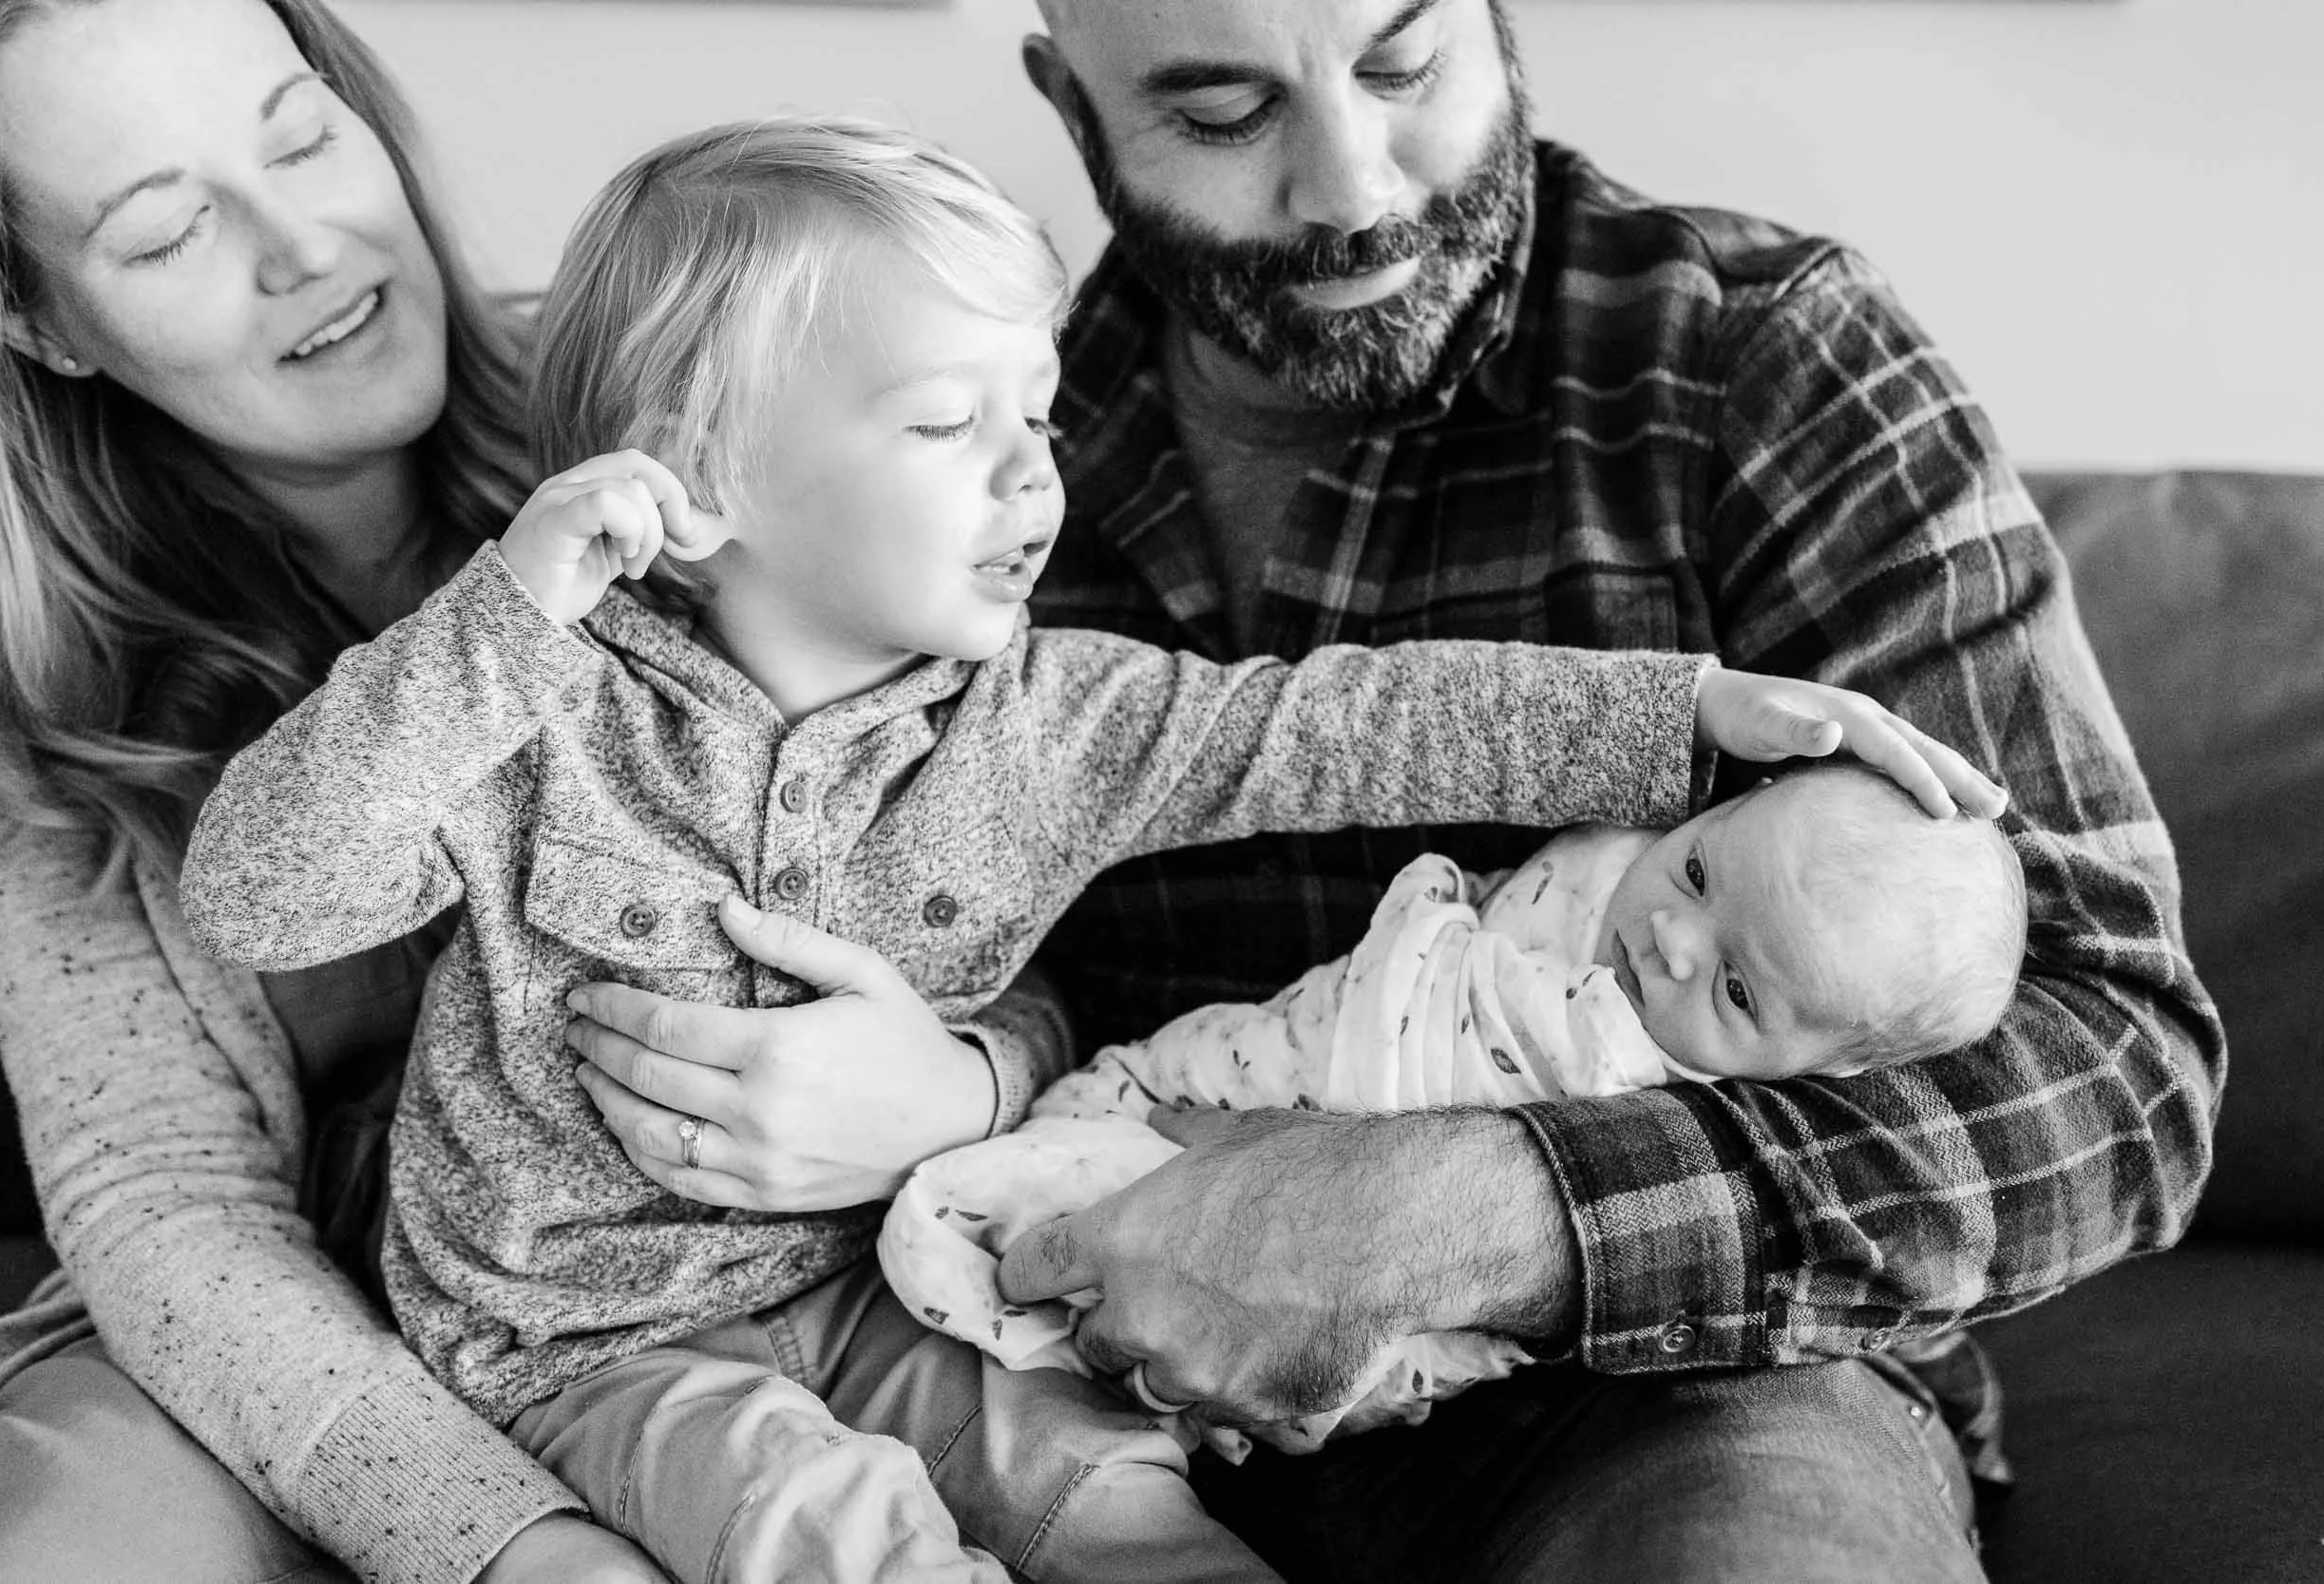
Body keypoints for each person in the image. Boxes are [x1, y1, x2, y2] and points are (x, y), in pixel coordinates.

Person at [177, 115, 2002, 1584]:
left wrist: (1682, 716)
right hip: (582, 1348)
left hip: (900, 1267)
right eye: (952, 427)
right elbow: (260, 891)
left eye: (1036, 414)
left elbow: (1347, 724)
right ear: (698, 484)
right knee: (827, 1531)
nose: (1036, 479)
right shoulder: (532, 709)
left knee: (1109, 1490)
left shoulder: (1063, 714)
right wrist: (498, 623)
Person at [945, 0, 2221, 1578]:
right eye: (1222, 117)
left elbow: (2115, 1069)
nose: (1350, 185)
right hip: (1063, 1333)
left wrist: (1487, 1213)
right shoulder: (956, 435)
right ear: (1072, 109)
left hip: (1660, 1388)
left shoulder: (1755, 351)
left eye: (1402, 65)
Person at [0, 6, 1042, 1582]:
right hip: (271, 1352)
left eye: (299, 133)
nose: (306, 249)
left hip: (740, 1280)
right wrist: (506, 1541)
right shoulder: (55, 736)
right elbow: (172, 1222)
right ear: (46, 322)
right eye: (168, 233)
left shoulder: (704, 424)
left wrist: (969, 1080)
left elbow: (1037, 835)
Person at [885, 760, 2030, 1469]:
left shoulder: (1672, 1089)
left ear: (1821, 1073)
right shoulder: (1600, 869)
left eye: (1736, 989)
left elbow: (2138, 1083)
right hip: (1236, 1064)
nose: (1670, 940)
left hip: (1539, 1348)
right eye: (1695, 873)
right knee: (1087, 1146)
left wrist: (1397, 1255)